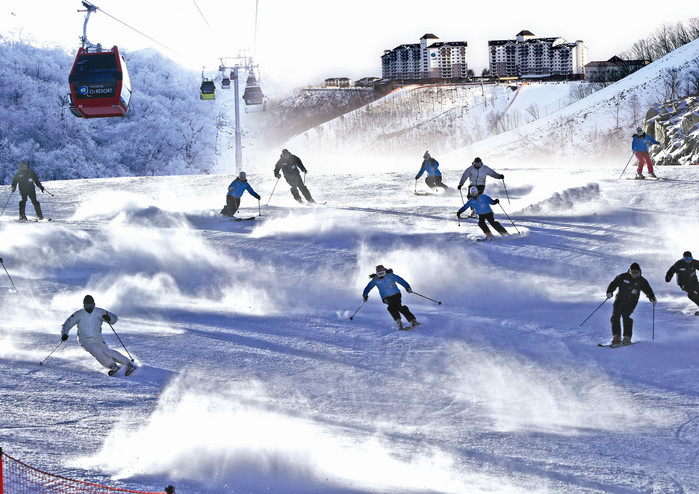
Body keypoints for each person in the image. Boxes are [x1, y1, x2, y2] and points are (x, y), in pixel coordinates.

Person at [61, 295, 135, 376]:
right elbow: (67, 324)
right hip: (84, 340)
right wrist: (65, 333)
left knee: (107, 351)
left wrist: (109, 318)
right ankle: (112, 365)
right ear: (84, 305)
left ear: (94, 304)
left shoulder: (99, 312)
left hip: (97, 338)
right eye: (87, 306)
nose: (89, 308)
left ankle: (128, 364)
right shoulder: (78, 314)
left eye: (91, 306)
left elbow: (114, 318)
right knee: (95, 351)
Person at [606, 263, 656, 344]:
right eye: (633, 272)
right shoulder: (622, 277)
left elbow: (647, 289)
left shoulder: (641, 281)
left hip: (631, 301)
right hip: (619, 299)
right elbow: (614, 284)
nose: (634, 274)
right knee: (615, 316)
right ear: (630, 271)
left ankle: (627, 337)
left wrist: (652, 297)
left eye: (636, 272)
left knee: (626, 316)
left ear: (639, 272)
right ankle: (616, 336)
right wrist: (609, 292)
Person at [362, 265, 419, 330]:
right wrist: (365, 295)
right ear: (376, 274)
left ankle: (412, 320)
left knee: (399, 307)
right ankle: (398, 321)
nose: (381, 276)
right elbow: (368, 287)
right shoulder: (375, 280)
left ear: (385, 272)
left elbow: (400, 280)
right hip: (386, 297)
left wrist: (407, 287)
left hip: (396, 294)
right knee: (391, 307)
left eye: (382, 273)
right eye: (379, 274)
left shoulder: (390, 275)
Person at [665, 250, 699, 315]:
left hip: (694, 281)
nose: (689, 260)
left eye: (690, 258)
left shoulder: (694, 262)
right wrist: (668, 277)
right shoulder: (679, 264)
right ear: (683, 258)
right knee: (691, 293)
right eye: (687, 259)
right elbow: (671, 270)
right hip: (683, 283)